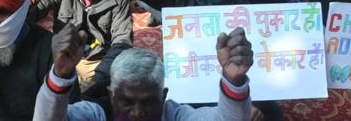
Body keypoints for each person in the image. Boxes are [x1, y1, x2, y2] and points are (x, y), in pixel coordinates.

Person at [33, 25, 252, 121]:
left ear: (163, 96)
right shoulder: (96, 114)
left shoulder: (175, 115)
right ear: (111, 95)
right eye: (127, 102)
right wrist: (60, 75)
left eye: (148, 102)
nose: (137, 113)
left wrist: (235, 81)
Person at [30, 0, 132, 95]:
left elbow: (122, 41)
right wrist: (25, 5)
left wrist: (99, 77)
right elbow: (40, 5)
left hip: (97, 60)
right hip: (61, 54)